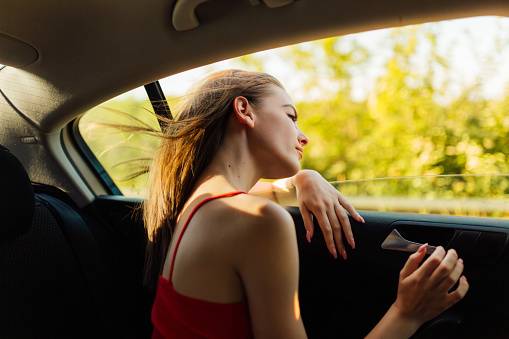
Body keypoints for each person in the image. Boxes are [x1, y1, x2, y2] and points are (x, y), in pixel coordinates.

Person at [144, 69, 469, 338]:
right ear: (244, 111)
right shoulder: (259, 220)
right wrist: (407, 313)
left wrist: (303, 179)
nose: (304, 136)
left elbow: (266, 191)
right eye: (291, 116)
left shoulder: (193, 203)